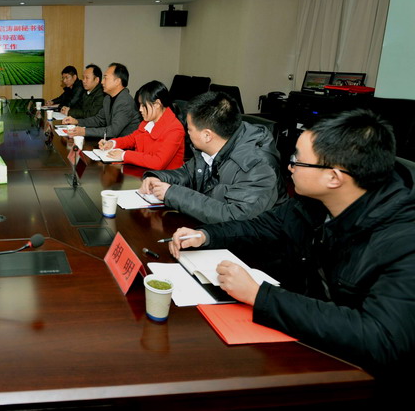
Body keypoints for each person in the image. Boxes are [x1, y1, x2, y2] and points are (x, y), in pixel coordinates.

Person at [167, 109, 415, 381]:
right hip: (307, 346)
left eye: (298, 160)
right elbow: (261, 227)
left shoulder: (403, 239)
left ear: (334, 177)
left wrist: (259, 296)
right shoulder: (313, 203)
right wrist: (206, 235)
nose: (289, 167)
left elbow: (383, 339)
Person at [140, 91, 285, 223]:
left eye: (189, 129)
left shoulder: (257, 166)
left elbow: (234, 217)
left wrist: (172, 194)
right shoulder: (216, 144)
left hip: (255, 238)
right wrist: (159, 178)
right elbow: (189, 174)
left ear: (207, 135)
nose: (187, 133)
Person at [98, 80, 185, 170]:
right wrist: (112, 143)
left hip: (165, 176)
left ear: (157, 104)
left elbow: (158, 162)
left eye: (143, 105)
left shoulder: (175, 129)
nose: (140, 109)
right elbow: (132, 139)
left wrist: (124, 155)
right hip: (144, 171)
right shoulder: (148, 121)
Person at [62, 62, 141, 139]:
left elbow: (113, 131)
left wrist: (84, 131)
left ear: (117, 81)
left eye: (105, 78)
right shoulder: (108, 98)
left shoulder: (125, 102)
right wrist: (77, 121)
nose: (102, 82)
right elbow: (98, 120)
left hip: (126, 145)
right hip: (112, 143)